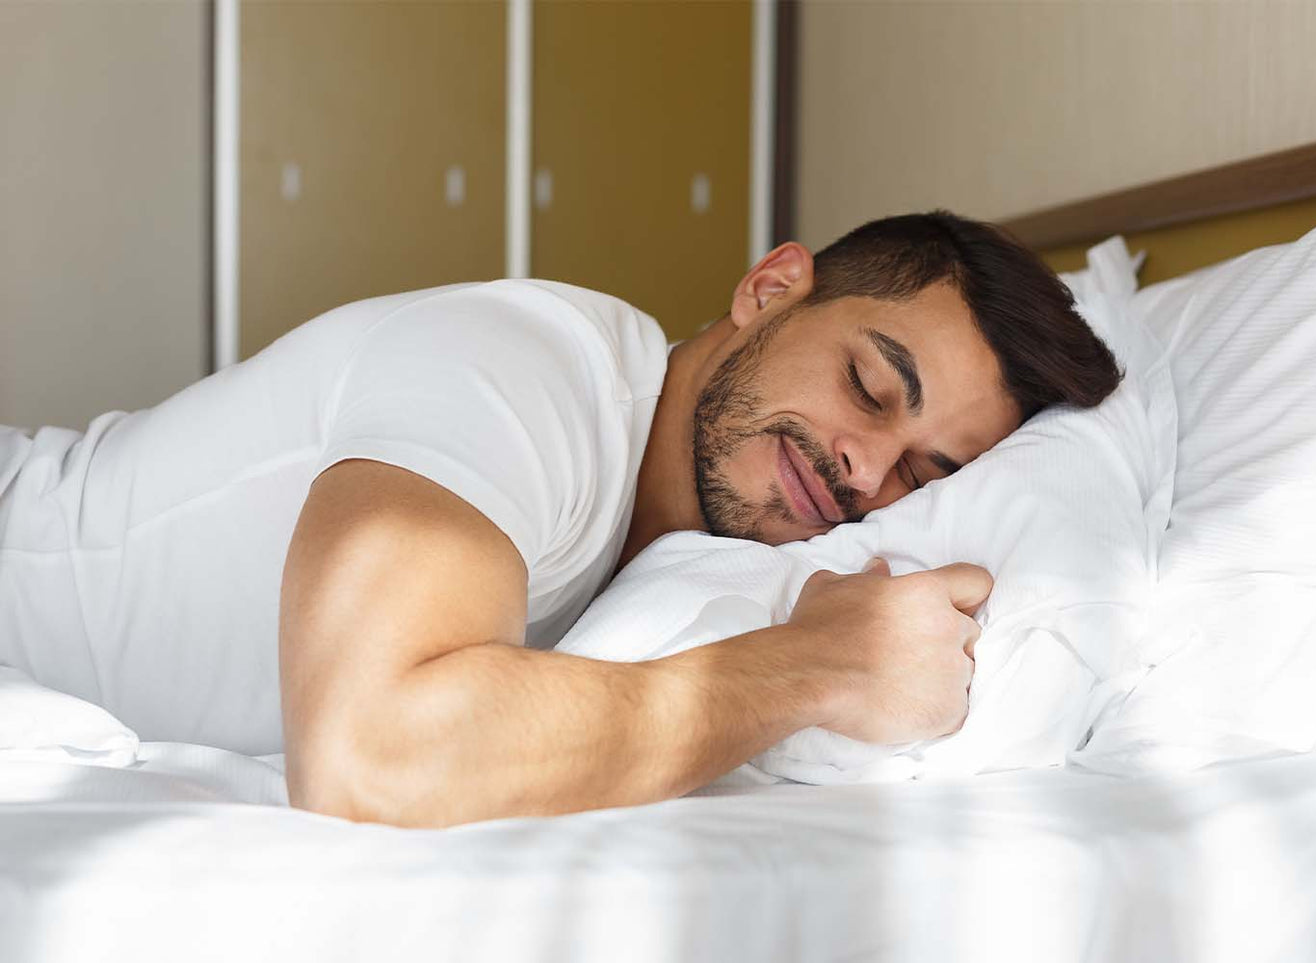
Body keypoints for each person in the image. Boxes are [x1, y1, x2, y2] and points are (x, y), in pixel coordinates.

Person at [0, 212, 1120, 827]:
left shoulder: (659, 544)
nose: (862, 469)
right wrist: (812, 669)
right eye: (869, 387)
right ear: (771, 289)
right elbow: (369, 758)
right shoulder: (524, 374)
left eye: (923, 477)